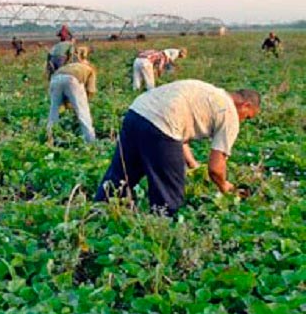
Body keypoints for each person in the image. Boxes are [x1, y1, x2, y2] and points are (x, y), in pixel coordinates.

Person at [95, 80, 260, 215]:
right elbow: (215, 168)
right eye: (247, 117)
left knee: (121, 174)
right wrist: (224, 185)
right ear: (245, 105)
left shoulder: (211, 92)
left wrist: (192, 163)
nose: (243, 120)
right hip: (163, 125)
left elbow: (180, 134)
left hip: (137, 113)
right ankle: (162, 229)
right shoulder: (229, 113)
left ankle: (97, 215)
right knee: (169, 193)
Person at [47, 60, 97, 144]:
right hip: (72, 80)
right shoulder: (90, 70)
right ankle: (91, 141)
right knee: (83, 113)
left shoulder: (70, 66)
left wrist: (69, 104)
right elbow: (91, 91)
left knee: (53, 113)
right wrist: (83, 103)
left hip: (55, 79)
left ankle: (50, 138)